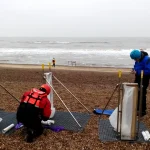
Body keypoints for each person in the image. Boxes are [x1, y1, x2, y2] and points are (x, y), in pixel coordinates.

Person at [130, 49, 150, 116]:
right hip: (138, 77)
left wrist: (138, 72)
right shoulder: (137, 59)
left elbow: (148, 71)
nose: (135, 60)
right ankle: (137, 108)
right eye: (134, 59)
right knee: (136, 92)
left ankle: (142, 111)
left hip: (144, 78)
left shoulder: (147, 59)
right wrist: (133, 69)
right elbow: (136, 66)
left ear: (139, 57)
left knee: (142, 93)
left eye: (135, 59)